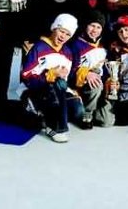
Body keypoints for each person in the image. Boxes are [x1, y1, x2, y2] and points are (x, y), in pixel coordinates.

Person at [21, 14, 84, 143]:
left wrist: (72, 91)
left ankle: (45, 116)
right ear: (54, 28)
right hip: (37, 90)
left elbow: (66, 79)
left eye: (68, 34)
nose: (63, 36)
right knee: (56, 85)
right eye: (61, 31)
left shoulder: (67, 52)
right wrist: (49, 75)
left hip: (58, 91)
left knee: (78, 110)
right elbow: (26, 76)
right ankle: (57, 128)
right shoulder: (39, 47)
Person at [69, 10, 114, 129]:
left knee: (106, 122)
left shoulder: (103, 46)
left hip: (100, 89)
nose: (95, 30)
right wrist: (85, 73)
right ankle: (87, 113)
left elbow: (107, 68)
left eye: (98, 27)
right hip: (82, 87)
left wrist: (110, 81)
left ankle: (95, 110)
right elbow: (70, 69)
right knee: (96, 85)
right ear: (86, 25)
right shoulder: (75, 44)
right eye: (92, 25)